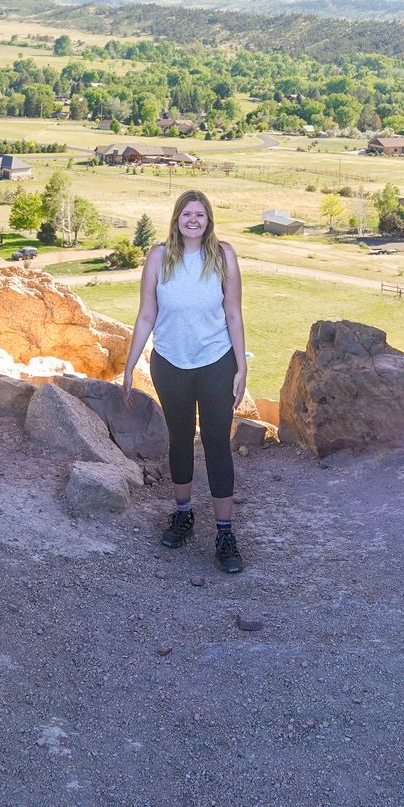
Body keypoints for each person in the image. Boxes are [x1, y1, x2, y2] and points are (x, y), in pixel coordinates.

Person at [122, 189, 247, 574]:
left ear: (209, 220)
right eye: (186, 214)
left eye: (200, 214)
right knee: (179, 440)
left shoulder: (223, 256)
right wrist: (129, 366)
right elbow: (146, 315)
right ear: (176, 218)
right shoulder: (159, 257)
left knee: (215, 444)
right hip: (170, 364)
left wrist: (241, 367)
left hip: (215, 363)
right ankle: (183, 515)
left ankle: (225, 533)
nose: (193, 220)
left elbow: (234, 313)